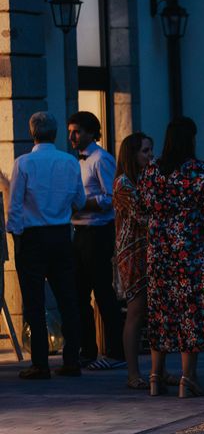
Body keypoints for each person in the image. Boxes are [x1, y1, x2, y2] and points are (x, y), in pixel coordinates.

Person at [138, 117, 204, 398]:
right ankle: (188, 378)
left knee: (160, 312)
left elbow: (143, 205)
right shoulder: (198, 170)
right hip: (191, 251)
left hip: (159, 250)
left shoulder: (151, 170)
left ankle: (155, 377)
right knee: (189, 313)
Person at [7, 112, 86, 379]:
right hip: (61, 235)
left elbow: (15, 204)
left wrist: (16, 235)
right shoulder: (69, 162)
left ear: (32, 133)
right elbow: (80, 200)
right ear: (56, 134)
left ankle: (40, 362)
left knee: (34, 301)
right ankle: (72, 358)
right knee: (68, 298)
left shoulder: (24, 163)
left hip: (32, 236)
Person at [68, 111, 125, 370]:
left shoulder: (101, 159)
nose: (71, 136)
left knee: (103, 292)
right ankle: (87, 349)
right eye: (70, 131)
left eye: (76, 131)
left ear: (91, 132)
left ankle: (115, 351)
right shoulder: (77, 162)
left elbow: (113, 197)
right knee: (79, 294)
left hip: (98, 231)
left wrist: (83, 203)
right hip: (79, 232)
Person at [113, 133, 154, 389]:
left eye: (151, 151)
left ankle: (154, 371)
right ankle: (133, 373)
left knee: (151, 313)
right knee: (136, 312)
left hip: (149, 249)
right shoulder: (124, 183)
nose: (150, 156)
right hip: (132, 252)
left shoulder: (145, 179)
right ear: (133, 154)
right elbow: (141, 215)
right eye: (145, 151)